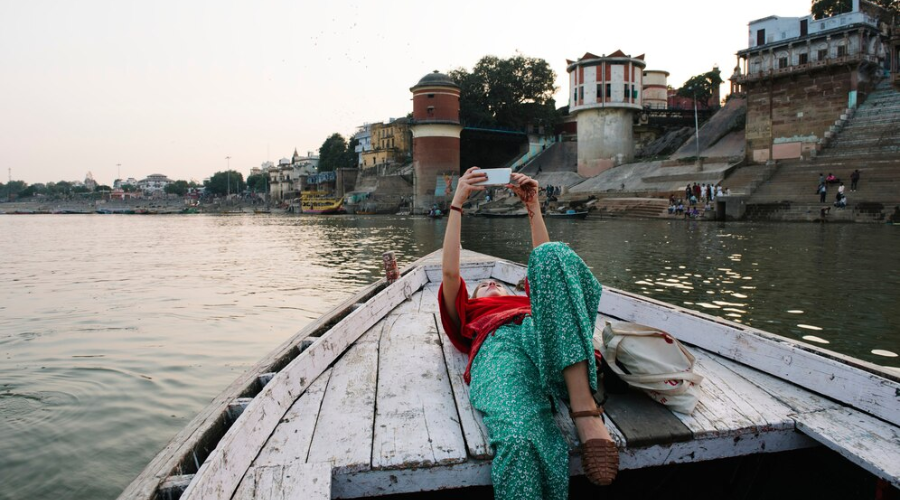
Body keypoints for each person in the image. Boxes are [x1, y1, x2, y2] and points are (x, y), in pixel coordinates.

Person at [439, 167, 618, 498]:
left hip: (549, 340)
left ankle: (583, 408)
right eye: (482, 285)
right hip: (500, 347)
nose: (490, 282)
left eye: (495, 281)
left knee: (550, 255)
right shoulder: (470, 316)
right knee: (519, 440)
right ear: (472, 299)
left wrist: (532, 206)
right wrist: (457, 203)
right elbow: (450, 273)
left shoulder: (525, 301)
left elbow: (547, 272)